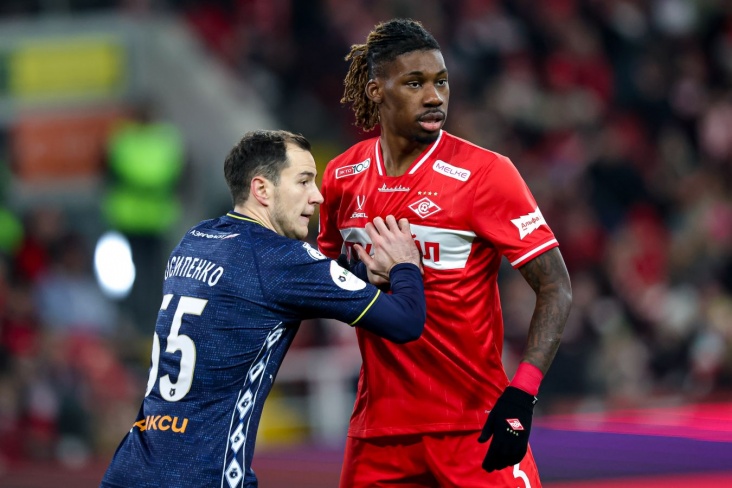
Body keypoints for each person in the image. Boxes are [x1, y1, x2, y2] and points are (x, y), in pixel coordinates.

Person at [317, 19, 573, 487]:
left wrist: (522, 394)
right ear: (376, 90)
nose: (434, 97)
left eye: (442, 82)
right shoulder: (341, 176)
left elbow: (556, 286)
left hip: (474, 425)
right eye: (415, 83)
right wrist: (360, 274)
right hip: (380, 434)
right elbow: (328, 281)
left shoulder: (486, 174)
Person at [100, 129, 426, 488]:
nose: (317, 196)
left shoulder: (193, 240)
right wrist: (405, 266)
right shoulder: (280, 259)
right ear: (262, 190)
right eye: (304, 181)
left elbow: (263, 295)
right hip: (205, 477)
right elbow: (406, 321)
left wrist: (359, 273)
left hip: (129, 468)